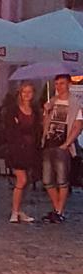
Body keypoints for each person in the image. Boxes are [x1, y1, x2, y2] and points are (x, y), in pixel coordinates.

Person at [41, 74, 83, 223]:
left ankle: (59, 211)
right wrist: (46, 111)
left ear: (69, 85)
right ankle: (57, 209)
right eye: (57, 84)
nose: (59, 86)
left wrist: (67, 143)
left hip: (63, 145)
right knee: (47, 180)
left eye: (62, 83)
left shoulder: (75, 104)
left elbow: (78, 125)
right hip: (48, 143)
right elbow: (45, 124)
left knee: (62, 180)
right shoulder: (52, 101)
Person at [4, 82, 41, 223]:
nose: (26, 94)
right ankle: (14, 211)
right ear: (20, 93)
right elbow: (9, 130)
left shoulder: (35, 111)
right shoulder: (13, 110)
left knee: (27, 181)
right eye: (24, 92)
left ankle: (20, 209)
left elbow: (38, 128)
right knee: (22, 179)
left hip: (31, 149)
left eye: (29, 92)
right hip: (17, 149)